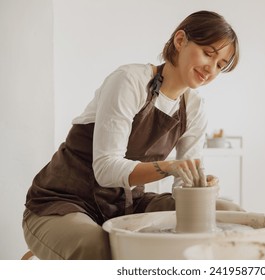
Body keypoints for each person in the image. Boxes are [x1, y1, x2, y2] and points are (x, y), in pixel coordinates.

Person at [22, 10, 242, 260]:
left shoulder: (194, 107)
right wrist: (172, 166)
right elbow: (105, 169)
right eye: (208, 53)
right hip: (61, 202)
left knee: (227, 213)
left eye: (220, 66)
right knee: (100, 249)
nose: (210, 69)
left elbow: (184, 186)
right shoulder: (130, 81)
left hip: (125, 206)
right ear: (180, 40)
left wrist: (200, 185)